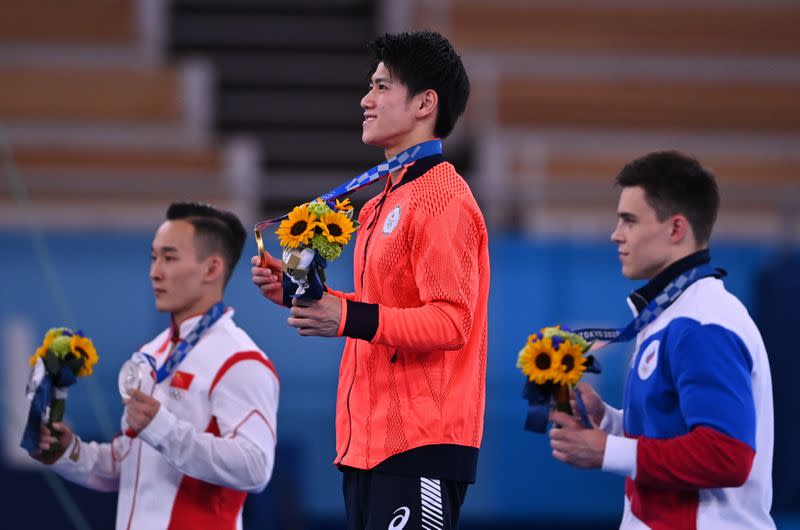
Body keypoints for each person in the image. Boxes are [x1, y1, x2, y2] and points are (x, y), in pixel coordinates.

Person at [251, 30, 488, 529]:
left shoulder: (444, 198)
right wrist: (306, 297)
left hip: (422, 442)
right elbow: (380, 308)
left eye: (382, 87)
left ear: (425, 103)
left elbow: (450, 323)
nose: (366, 99)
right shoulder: (385, 199)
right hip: (368, 442)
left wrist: (347, 315)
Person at [548, 152, 775, 529]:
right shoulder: (671, 315)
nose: (615, 234)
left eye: (629, 220)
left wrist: (608, 451)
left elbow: (727, 456)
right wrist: (606, 420)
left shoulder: (703, 322)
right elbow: (671, 436)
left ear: (675, 229)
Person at [30, 202, 280, 529]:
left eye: (169, 257)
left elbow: (256, 468)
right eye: (153, 257)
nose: (155, 272)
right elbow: (128, 463)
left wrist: (163, 428)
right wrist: (66, 452)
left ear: (211, 268)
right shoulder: (151, 353)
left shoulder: (239, 361)